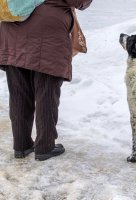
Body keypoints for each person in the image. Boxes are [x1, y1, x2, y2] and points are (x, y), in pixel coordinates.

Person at [0, 0, 93, 161]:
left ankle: (21, 146)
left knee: (19, 93)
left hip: (13, 29)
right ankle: (45, 147)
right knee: (47, 93)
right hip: (46, 35)